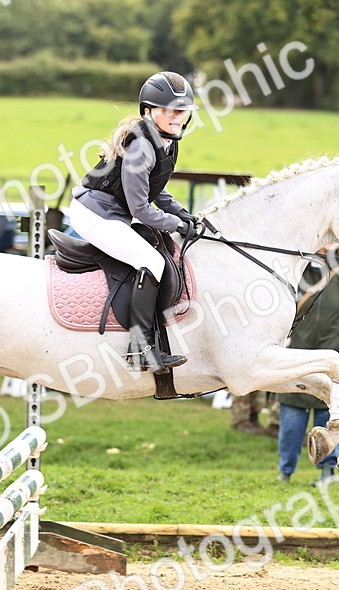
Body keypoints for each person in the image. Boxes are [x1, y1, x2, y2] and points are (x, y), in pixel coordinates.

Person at [70, 71, 199, 373]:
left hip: (115, 211)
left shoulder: (167, 140)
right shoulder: (141, 146)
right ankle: (139, 349)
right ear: (148, 111)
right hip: (94, 213)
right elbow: (140, 208)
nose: (178, 117)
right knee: (151, 261)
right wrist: (177, 225)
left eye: (183, 111)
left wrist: (183, 213)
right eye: (170, 110)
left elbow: (156, 188)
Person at [276, 265, 339, 484]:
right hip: (296, 357)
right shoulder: (294, 269)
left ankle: (327, 472)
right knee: (291, 420)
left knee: (330, 417)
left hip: (331, 361)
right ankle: (285, 473)